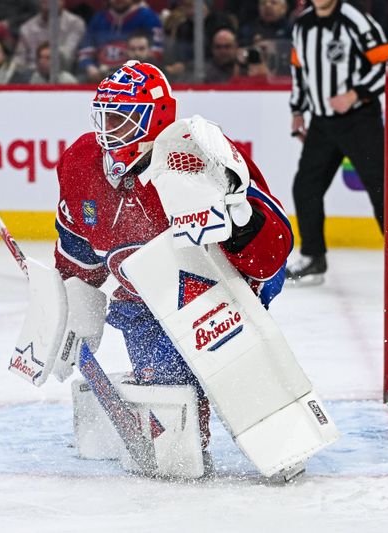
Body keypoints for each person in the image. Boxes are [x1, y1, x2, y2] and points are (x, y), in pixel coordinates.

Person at [53, 61, 293, 461]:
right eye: (104, 117)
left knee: (236, 381)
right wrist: (72, 296)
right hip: (142, 299)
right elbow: (75, 243)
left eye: (121, 120)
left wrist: (240, 217)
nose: (108, 132)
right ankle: (178, 429)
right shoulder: (81, 163)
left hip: (226, 289)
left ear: (156, 117)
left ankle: (275, 422)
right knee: (168, 404)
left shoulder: (200, 154)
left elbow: (271, 258)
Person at [287, 0, 388, 285]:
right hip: (322, 122)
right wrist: (298, 110)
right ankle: (313, 257)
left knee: (383, 190)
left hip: (360, 120)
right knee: (306, 187)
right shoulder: (303, 24)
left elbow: (387, 62)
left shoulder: (355, 19)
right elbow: (300, 70)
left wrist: (355, 94)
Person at [77, 0, 163, 83]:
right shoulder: (99, 18)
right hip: (100, 76)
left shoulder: (148, 17)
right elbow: (85, 51)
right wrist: (90, 67)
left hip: (136, 78)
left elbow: (156, 53)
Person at [13, 0, 85, 72]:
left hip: (62, 73)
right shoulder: (26, 28)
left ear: (63, 1)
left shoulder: (75, 23)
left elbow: (67, 54)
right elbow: (19, 58)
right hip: (31, 74)